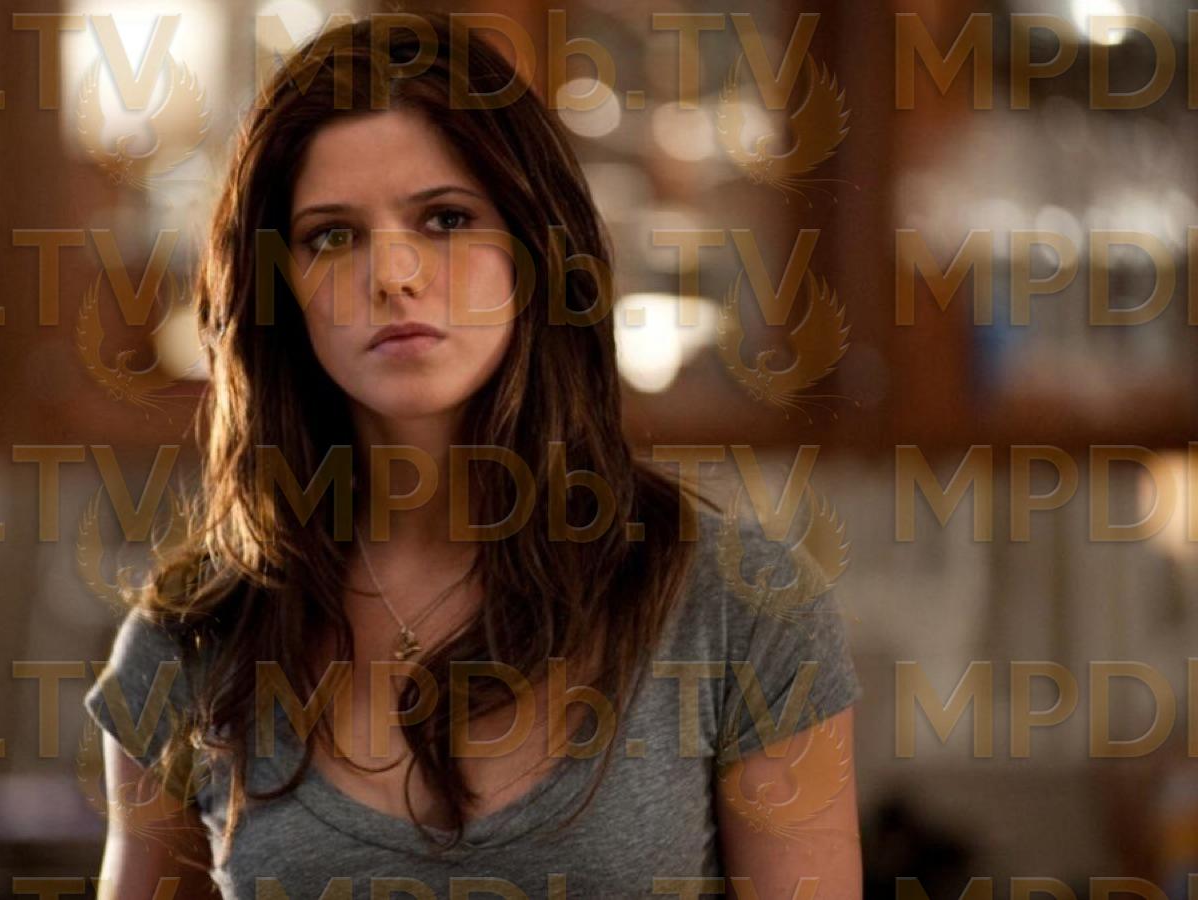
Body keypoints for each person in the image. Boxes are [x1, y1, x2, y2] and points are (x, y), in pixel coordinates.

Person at [84, 11, 864, 898]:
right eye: (332, 235)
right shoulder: (193, 639)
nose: (393, 275)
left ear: (536, 252)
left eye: (446, 219)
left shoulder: (739, 612)